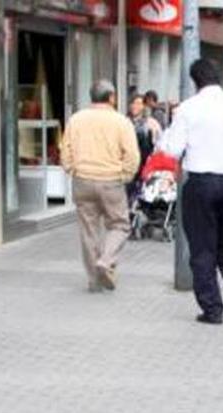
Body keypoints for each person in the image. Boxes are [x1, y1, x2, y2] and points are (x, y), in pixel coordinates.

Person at [158, 59, 223, 324]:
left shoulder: (188, 109)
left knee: (202, 247)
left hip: (201, 183)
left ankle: (212, 308)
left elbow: (171, 149)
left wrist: (168, 131)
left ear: (195, 81)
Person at [59, 79, 140, 292]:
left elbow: (65, 149)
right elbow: (132, 154)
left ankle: (94, 281)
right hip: (111, 180)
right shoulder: (121, 122)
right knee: (120, 225)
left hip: (82, 180)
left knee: (89, 230)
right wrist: (126, 175)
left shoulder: (76, 119)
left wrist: (71, 169)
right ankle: (106, 260)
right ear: (112, 97)